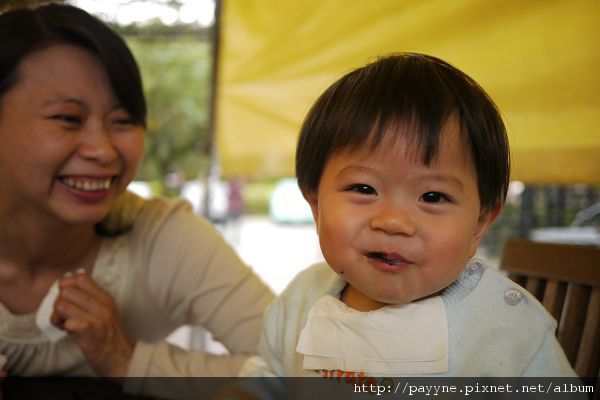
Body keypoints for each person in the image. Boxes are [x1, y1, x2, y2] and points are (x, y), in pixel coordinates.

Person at [239, 53, 576, 391]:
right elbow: (268, 380)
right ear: (316, 204)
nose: (393, 222)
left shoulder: (509, 332)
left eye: (432, 197)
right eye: (364, 188)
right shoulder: (299, 301)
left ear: (479, 224)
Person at [0, 3, 273, 397]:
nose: (104, 150)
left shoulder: (161, 237)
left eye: (123, 121)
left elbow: (317, 374)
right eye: (68, 118)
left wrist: (128, 362)